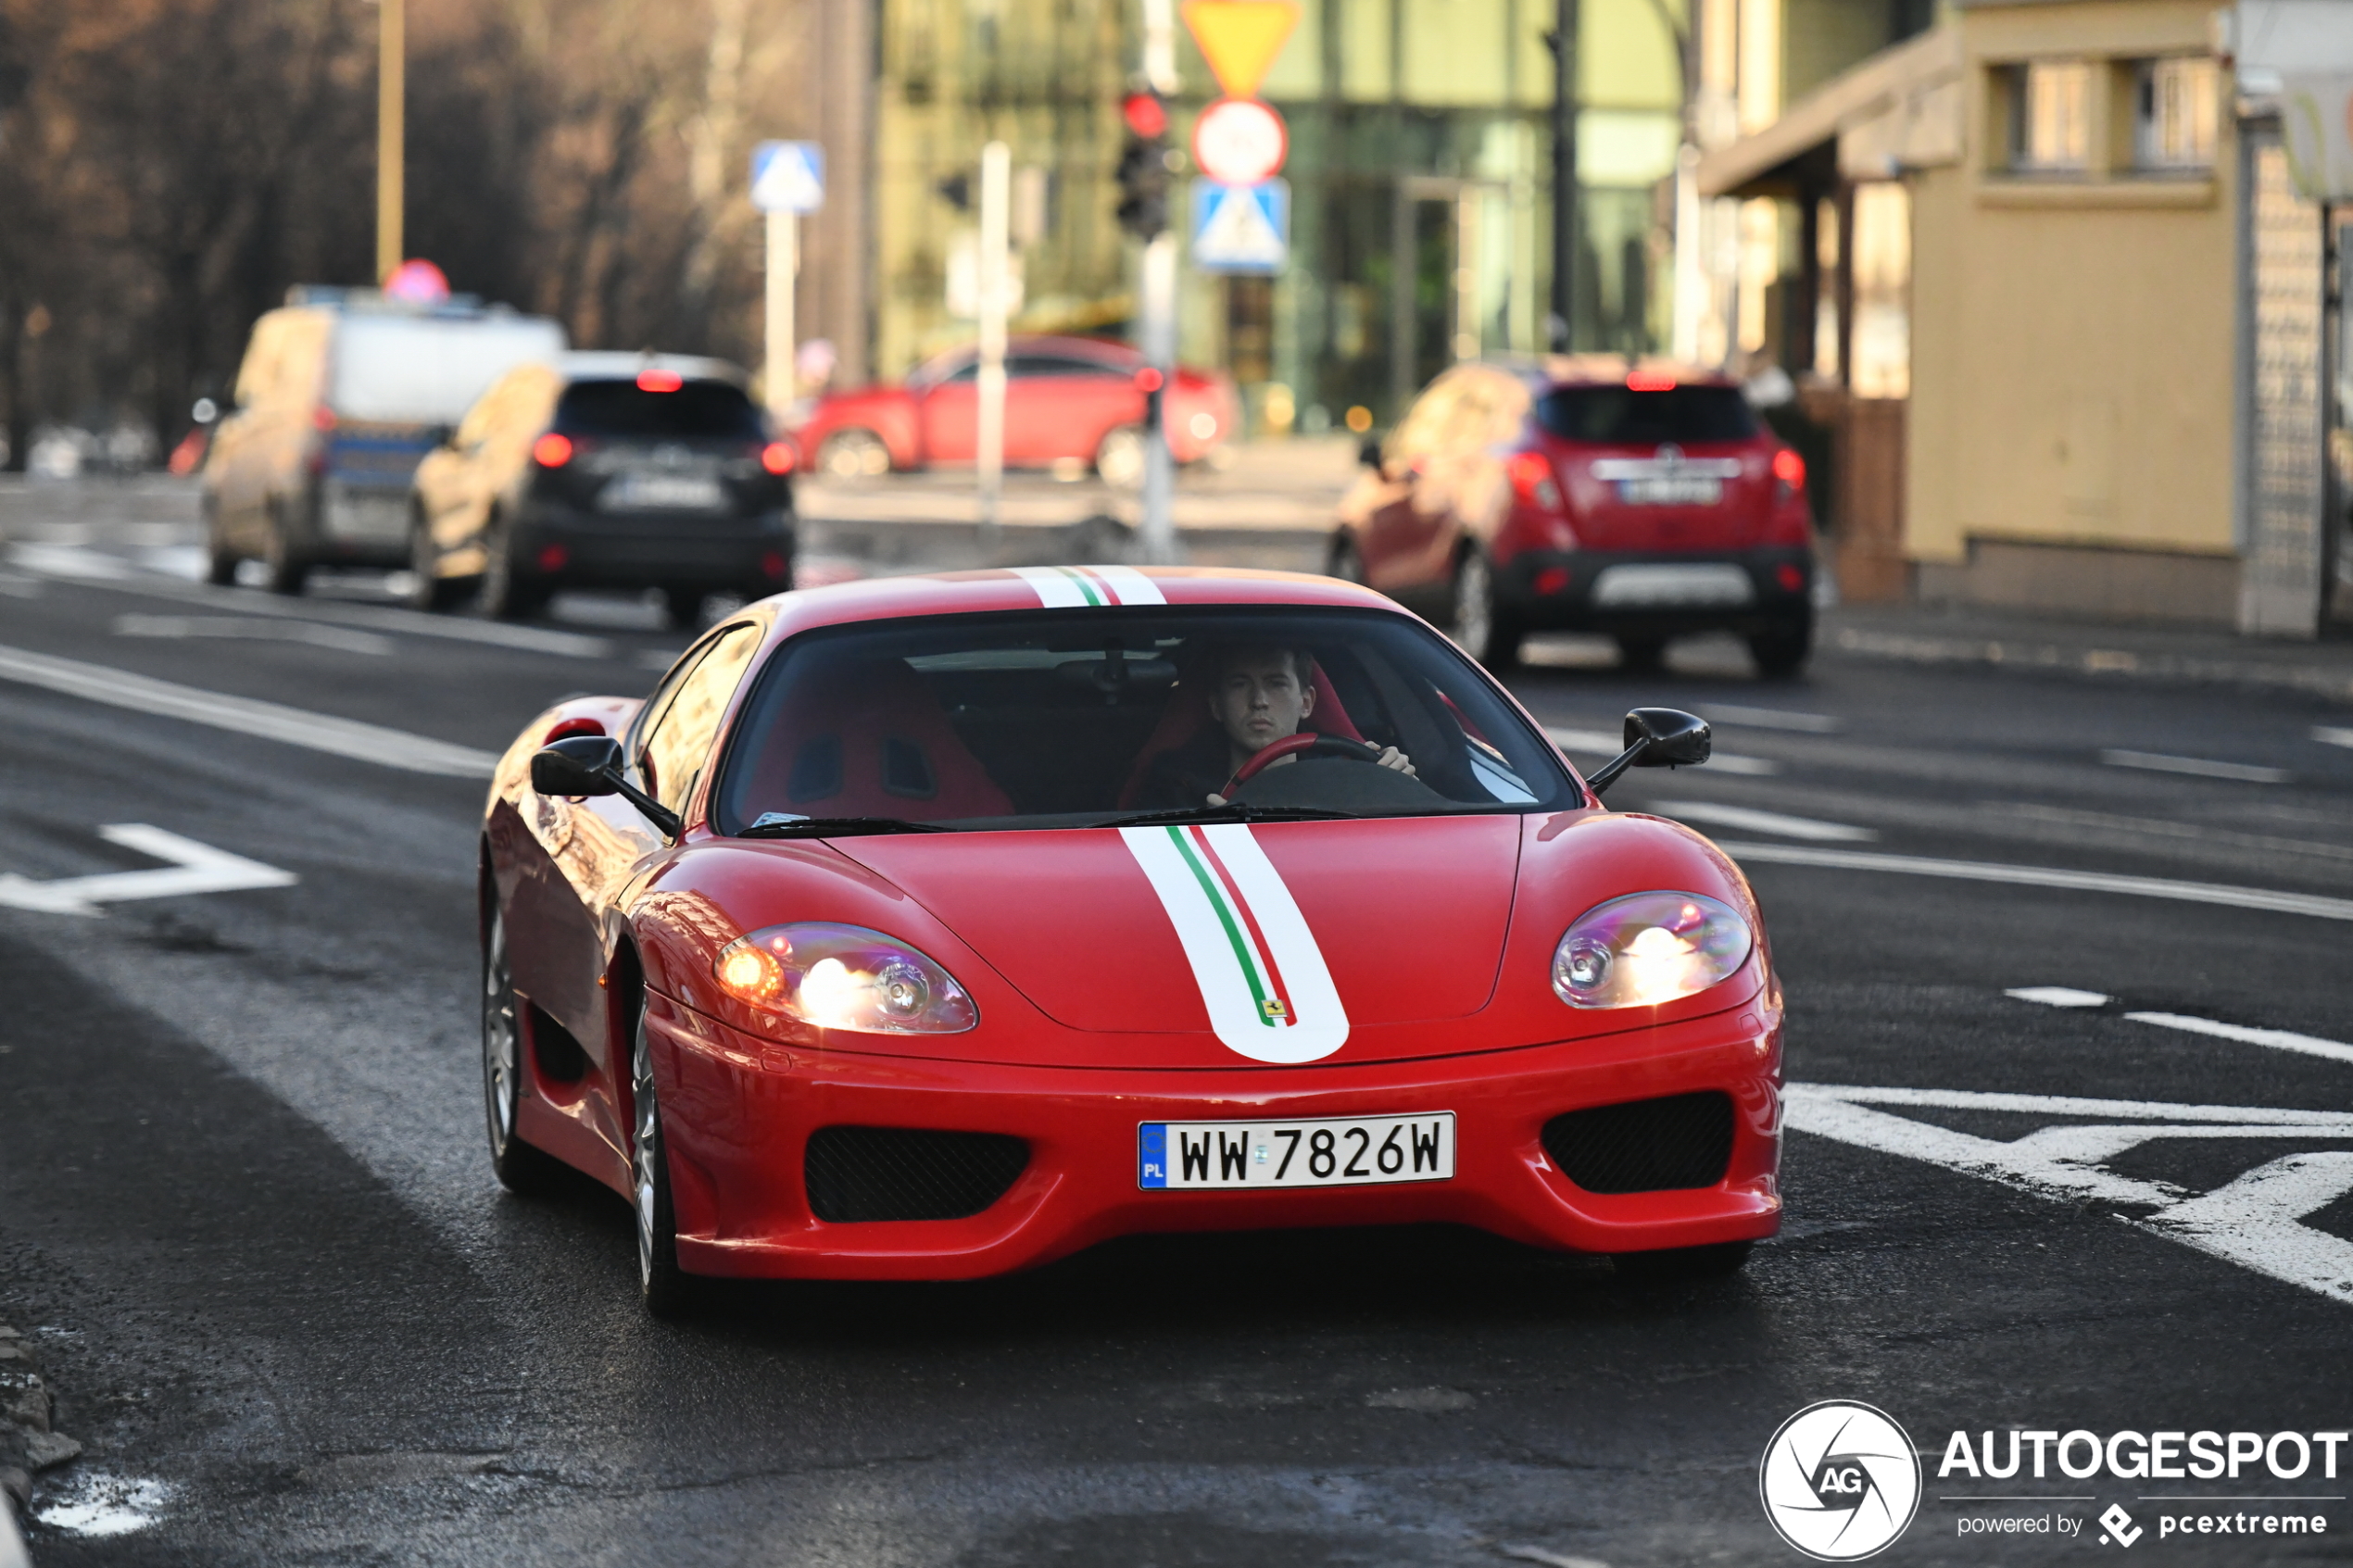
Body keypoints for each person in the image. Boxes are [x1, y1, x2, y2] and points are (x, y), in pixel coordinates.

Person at [1134, 643, 1414, 809]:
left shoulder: (1348, 776)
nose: (1259, 701)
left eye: (1276, 683)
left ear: (1306, 702)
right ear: (1216, 706)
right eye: (1240, 684)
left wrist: (1399, 788)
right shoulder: (1176, 785)